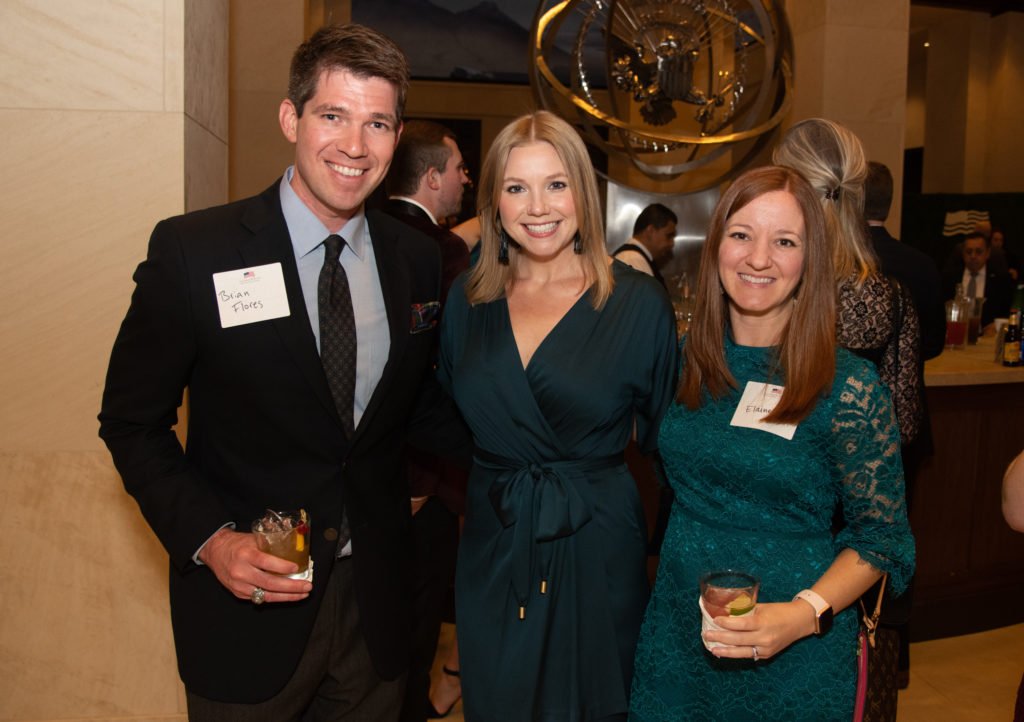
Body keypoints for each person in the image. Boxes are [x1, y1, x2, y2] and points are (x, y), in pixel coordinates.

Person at [98, 24, 470, 720]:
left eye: (378, 123)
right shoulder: (194, 252)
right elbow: (129, 423)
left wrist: (538, 437)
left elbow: (410, 407)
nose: (355, 146)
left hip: (377, 613)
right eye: (333, 115)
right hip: (250, 608)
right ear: (290, 118)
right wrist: (213, 541)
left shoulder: (411, 259)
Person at [629, 165, 915, 722]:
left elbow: (882, 539)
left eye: (784, 241)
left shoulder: (848, 387)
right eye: (742, 235)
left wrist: (803, 615)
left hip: (797, 648)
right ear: (716, 248)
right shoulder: (682, 361)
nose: (758, 259)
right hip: (679, 632)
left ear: (810, 261)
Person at [438, 110, 678, 721]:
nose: (537, 206)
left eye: (556, 184)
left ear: (583, 194)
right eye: (516, 187)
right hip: (496, 539)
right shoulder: (466, 301)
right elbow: (441, 418)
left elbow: (668, 441)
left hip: (596, 541)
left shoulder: (637, 302)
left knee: (596, 702)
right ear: (492, 202)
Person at [383, 119, 471, 721]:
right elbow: (433, 370)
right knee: (411, 628)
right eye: (460, 167)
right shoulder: (440, 252)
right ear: (434, 176)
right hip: (424, 477)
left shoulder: (364, 228)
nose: (467, 177)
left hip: (362, 478)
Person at [773, 118, 924, 450]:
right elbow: (904, 427)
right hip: (855, 486)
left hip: (769, 487)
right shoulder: (889, 298)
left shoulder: (762, 284)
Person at [863, 159, 939, 688]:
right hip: (903, 429)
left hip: (843, 439)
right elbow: (931, 345)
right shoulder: (919, 262)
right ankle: (893, 664)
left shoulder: (840, 264)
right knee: (892, 546)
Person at [941, 230, 1013, 329]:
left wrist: (996, 325)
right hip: (955, 332)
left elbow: (1008, 311)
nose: (973, 256)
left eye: (978, 252)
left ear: (987, 253)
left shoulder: (1001, 279)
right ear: (962, 253)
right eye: (969, 252)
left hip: (987, 336)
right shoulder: (949, 278)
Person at [612, 203, 678, 286]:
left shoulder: (637, 258)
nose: (672, 243)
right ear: (650, 230)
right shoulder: (632, 259)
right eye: (668, 236)